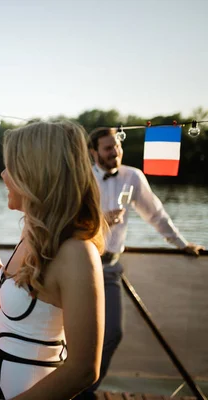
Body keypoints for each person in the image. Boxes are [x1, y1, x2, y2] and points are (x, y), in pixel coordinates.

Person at [0, 121, 106, 399]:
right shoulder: (35, 234)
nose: (2, 174)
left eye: (11, 167)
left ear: (36, 174)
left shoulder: (76, 253)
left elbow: (83, 369)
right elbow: (8, 302)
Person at [75, 127, 205, 398]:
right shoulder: (80, 178)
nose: (115, 152)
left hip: (110, 267)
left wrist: (183, 244)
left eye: (117, 147)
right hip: (80, 265)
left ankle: (83, 391)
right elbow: (67, 222)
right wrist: (100, 222)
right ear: (93, 152)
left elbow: (156, 214)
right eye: (108, 148)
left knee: (112, 334)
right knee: (72, 334)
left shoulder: (132, 177)